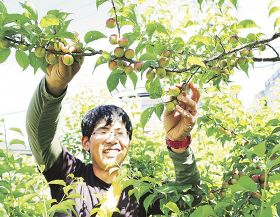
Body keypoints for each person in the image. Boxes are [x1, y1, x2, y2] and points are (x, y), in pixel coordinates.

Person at [26, 52, 201, 217]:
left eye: (120, 133)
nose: (112, 139)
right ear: (86, 142)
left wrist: (178, 143)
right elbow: (41, 133)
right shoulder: (69, 175)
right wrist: (54, 87)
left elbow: (190, 195)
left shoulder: (140, 191)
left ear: (128, 143)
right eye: (103, 131)